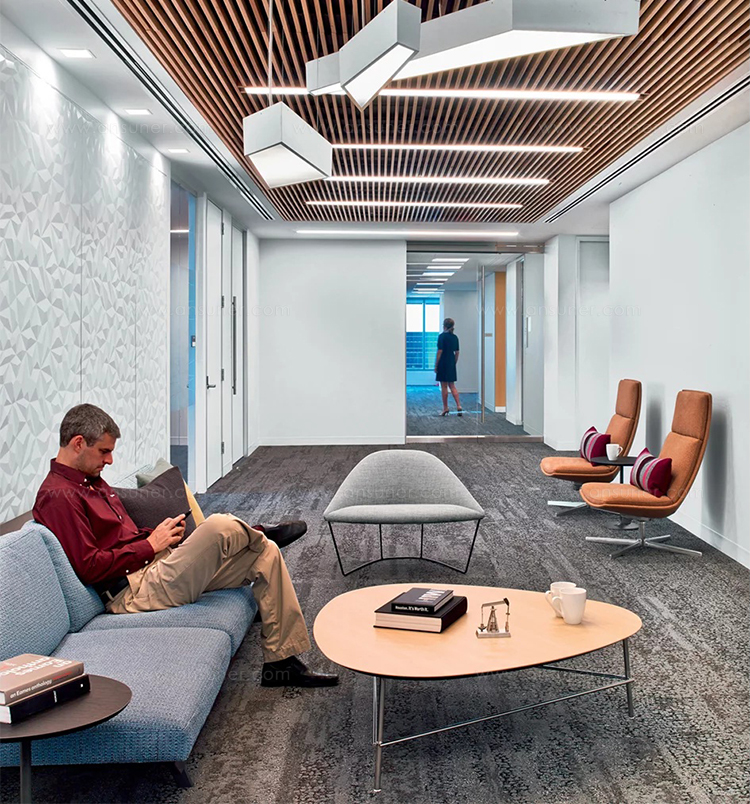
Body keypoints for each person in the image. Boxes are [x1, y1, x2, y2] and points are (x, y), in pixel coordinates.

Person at [32, 404, 338, 689]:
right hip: (135, 592)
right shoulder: (59, 497)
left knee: (265, 554)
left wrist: (158, 536)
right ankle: (256, 531)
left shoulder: (91, 481)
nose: (109, 460)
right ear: (78, 443)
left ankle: (281, 663)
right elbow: (89, 566)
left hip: (158, 568)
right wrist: (150, 545)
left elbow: (119, 538)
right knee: (219, 526)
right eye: (104, 451)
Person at [434, 317, 462, 416]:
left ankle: (445, 408)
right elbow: (457, 352)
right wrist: (454, 362)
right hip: (451, 362)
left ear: (444, 326)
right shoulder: (455, 337)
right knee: (452, 385)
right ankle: (459, 405)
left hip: (443, 363)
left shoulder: (441, 337)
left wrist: (436, 365)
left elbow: (440, 351)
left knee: (444, 386)